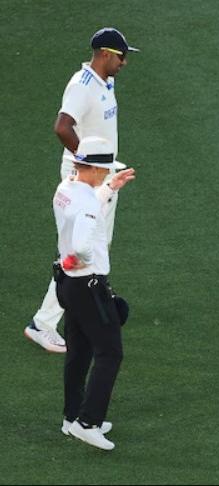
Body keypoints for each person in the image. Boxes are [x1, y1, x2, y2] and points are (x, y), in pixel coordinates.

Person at [24, 27, 139, 353]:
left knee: (96, 245)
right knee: (80, 249)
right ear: (104, 54)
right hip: (88, 177)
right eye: (121, 56)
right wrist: (89, 163)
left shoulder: (105, 81)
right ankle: (43, 323)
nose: (124, 62)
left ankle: (84, 304)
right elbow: (62, 126)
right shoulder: (82, 86)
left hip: (99, 174)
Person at [53, 136, 136, 450]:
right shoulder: (87, 203)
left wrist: (110, 188)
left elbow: (84, 207)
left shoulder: (65, 189)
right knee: (110, 352)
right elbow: (83, 244)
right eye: (106, 170)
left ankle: (72, 416)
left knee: (79, 352)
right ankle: (88, 423)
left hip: (68, 284)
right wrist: (81, 257)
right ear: (96, 168)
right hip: (88, 285)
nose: (107, 173)